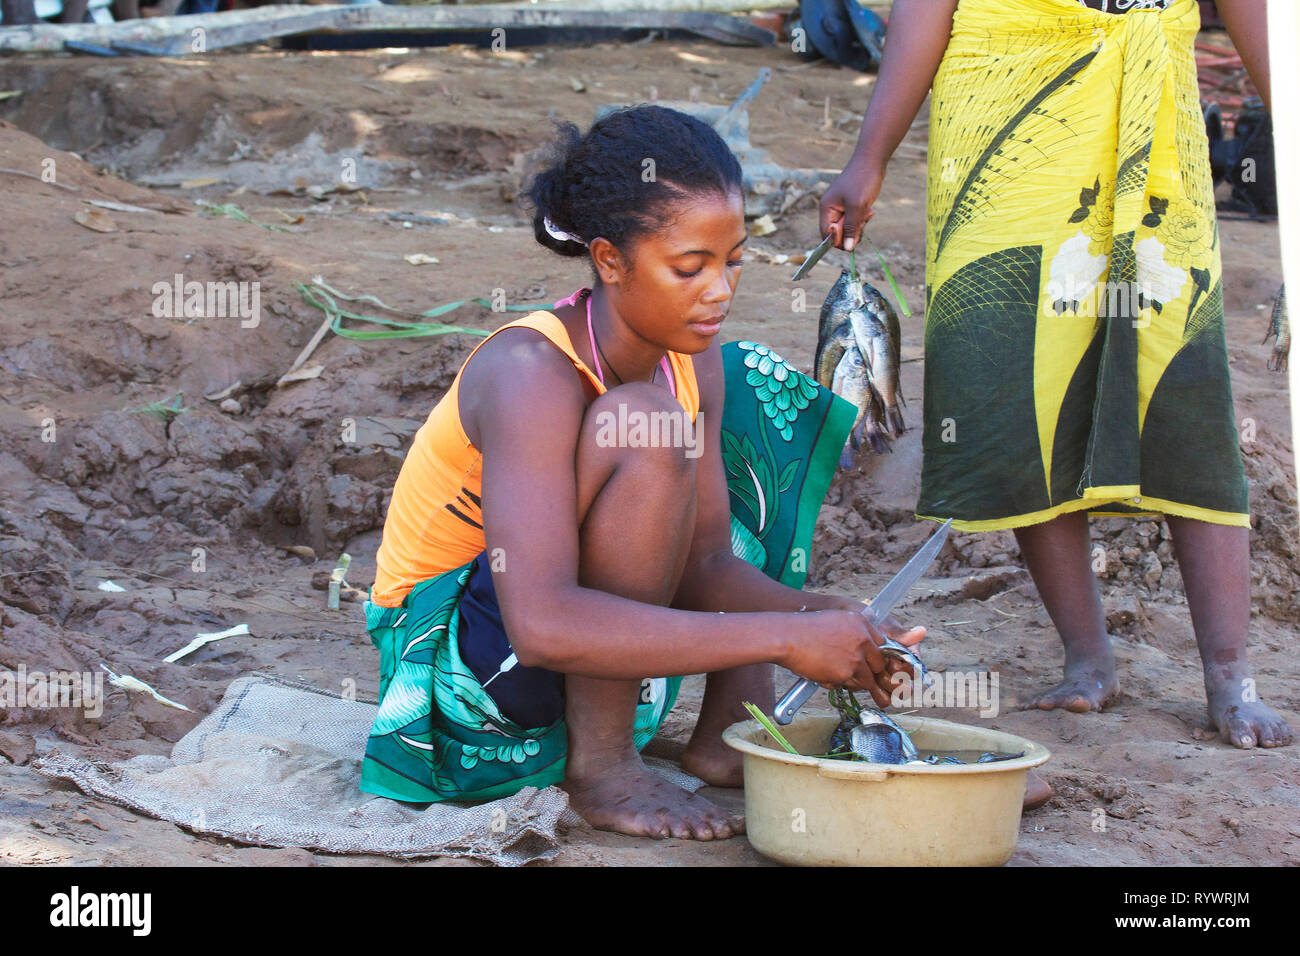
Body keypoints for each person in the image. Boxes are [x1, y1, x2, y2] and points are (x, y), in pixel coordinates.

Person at [360, 104, 928, 841]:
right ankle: (603, 766)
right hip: (459, 686)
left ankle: (732, 732)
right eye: (690, 268)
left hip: (591, 659)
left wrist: (835, 622)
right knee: (650, 427)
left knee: (749, 387)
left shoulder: (690, 362)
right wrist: (784, 641)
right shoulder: (530, 372)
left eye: (733, 262)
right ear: (609, 260)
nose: (719, 290)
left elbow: (706, 564)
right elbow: (541, 626)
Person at [819, 0, 1291, 749]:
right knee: (1019, 383)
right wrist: (869, 155)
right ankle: (1086, 655)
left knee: (1181, 386)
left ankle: (1232, 676)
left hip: (1149, 97)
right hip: (1008, 96)